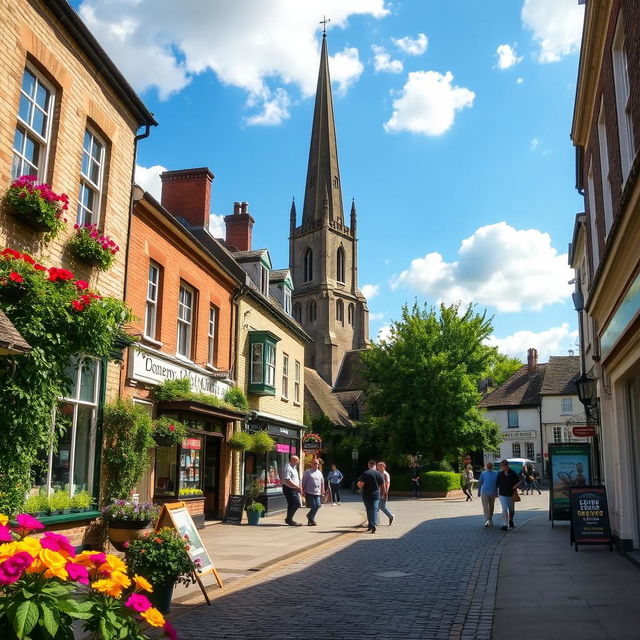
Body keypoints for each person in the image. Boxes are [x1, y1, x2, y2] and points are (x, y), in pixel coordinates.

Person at [357, 460, 385, 533]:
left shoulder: (366, 473)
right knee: (374, 509)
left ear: (369, 465)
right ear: (375, 465)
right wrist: (383, 494)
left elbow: (360, 485)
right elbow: (383, 486)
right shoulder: (379, 474)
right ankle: (373, 524)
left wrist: (358, 484)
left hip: (366, 495)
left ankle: (370, 525)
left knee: (369, 510)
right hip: (376, 495)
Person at [497, 459, 521, 531]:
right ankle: (505, 524)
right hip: (502, 493)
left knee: (511, 510)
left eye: (503, 466)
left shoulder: (512, 472)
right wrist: (497, 492)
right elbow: (497, 483)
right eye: (501, 466)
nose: (502, 467)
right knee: (504, 509)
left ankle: (511, 520)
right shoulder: (500, 473)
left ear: (506, 465)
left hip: (511, 493)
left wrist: (515, 486)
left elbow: (519, 481)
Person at [301, 458, 325, 526]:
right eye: (314, 463)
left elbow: (322, 482)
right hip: (309, 492)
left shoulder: (319, 472)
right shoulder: (307, 472)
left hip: (317, 492)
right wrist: (302, 491)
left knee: (318, 505)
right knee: (314, 506)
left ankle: (309, 517)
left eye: (317, 463)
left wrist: (322, 490)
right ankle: (312, 519)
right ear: (311, 464)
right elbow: (303, 482)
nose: (316, 465)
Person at [282, 455, 303, 526]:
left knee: (291, 504)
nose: (297, 463)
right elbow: (287, 480)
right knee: (296, 503)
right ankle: (288, 519)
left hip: (293, 488)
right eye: (296, 462)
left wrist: (298, 487)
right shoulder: (288, 468)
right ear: (292, 461)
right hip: (289, 489)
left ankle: (289, 520)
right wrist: (297, 487)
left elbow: (295, 479)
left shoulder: (294, 468)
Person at [477, 462, 499, 527]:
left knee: (485, 506)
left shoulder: (483, 473)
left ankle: (488, 519)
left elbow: (480, 483)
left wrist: (478, 492)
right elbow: (497, 483)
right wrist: (497, 492)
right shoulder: (496, 473)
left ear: (486, 467)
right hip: (493, 492)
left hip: (484, 492)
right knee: (491, 506)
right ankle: (490, 518)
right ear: (492, 467)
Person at [376, 461, 395, 525]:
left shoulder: (385, 474)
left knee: (377, 507)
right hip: (378, 492)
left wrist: (385, 493)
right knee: (382, 507)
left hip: (383, 493)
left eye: (380, 467)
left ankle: (375, 521)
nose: (379, 468)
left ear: (384, 467)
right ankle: (390, 516)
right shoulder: (378, 473)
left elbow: (387, 484)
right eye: (378, 467)